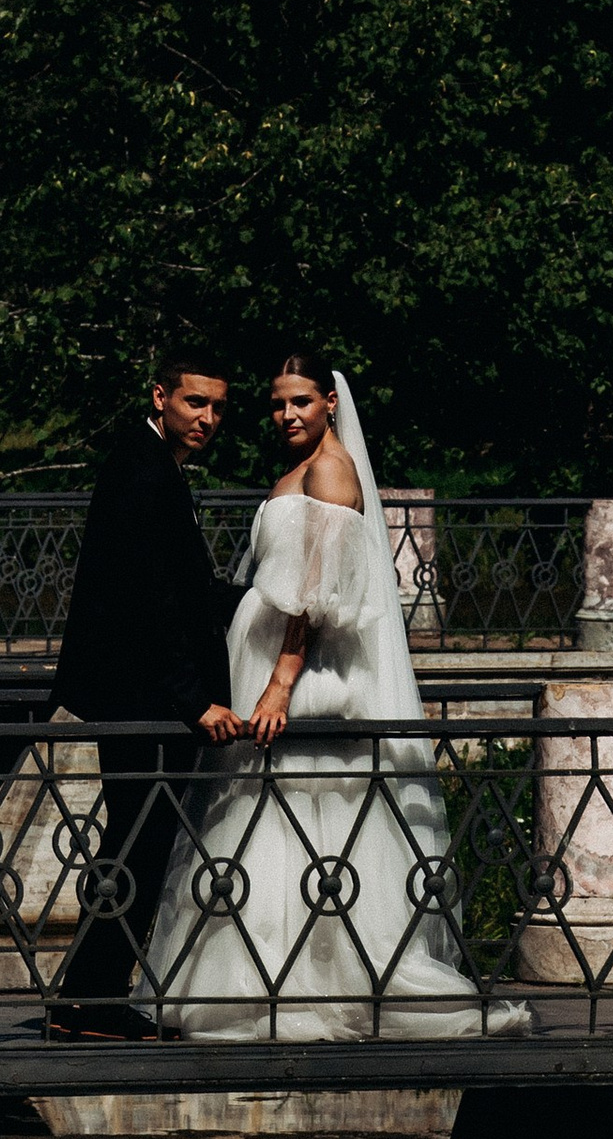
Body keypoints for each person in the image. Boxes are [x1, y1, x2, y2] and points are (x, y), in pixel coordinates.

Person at [150, 353, 528, 1043]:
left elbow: (318, 597)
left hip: (299, 674)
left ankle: (311, 979)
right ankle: (258, 976)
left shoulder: (330, 470)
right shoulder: (295, 470)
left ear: (330, 402)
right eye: (276, 403)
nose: (286, 415)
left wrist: (279, 684)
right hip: (263, 664)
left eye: (300, 401)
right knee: (263, 816)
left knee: (305, 810)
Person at [45, 359, 246, 1044]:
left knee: (133, 841)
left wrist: (257, 602)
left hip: (142, 694)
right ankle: (89, 1000)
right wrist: (195, 703)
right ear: (161, 396)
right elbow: (148, 601)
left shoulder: (151, 462)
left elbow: (179, 589)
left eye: (217, 408)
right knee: (137, 843)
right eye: (195, 402)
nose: (207, 418)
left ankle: (87, 996)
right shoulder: (143, 469)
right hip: (145, 699)